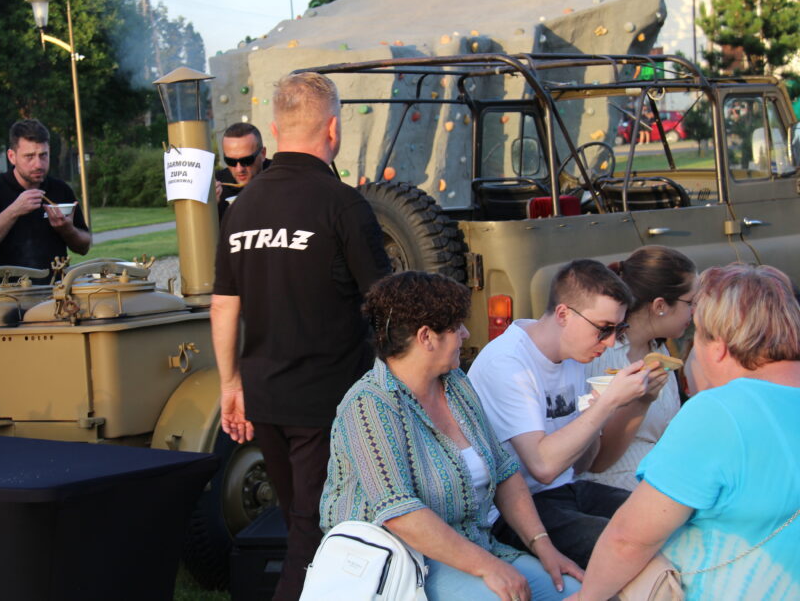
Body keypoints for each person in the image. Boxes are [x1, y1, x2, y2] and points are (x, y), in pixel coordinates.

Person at [211, 71, 391, 600]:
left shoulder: (241, 208)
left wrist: (230, 385)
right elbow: (386, 304)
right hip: (327, 403)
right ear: (333, 129)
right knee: (315, 539)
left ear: (274, 130)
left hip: (265, 399)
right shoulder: (343, 204)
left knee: (300, 524)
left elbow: (223, 304)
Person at [321, 271, 583, 601]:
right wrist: (487, 567)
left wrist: (544, 547)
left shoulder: (456, 383)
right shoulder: (370, 404)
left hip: (477, 547)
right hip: (404, 566)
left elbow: (504, 470)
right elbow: (400, 513)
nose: (466, 334)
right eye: (457, 326)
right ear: (426, 337)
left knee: (576, 592)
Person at [571, 264, 800, 600]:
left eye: (698, 337)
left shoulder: (719, 412)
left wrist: (587, 597)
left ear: (719, 347)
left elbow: (629, 539)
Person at [468, 259, 662, 569]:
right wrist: (608, 404)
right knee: (629, 546)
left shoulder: (574, 356)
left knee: (662, 520)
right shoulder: (507, 363)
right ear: (563, 314)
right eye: (604, 328)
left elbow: (583, 465)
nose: (611, 341)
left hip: (565, 490)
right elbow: (543, 467)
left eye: (619, 329)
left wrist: (600, 410)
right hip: (514, 512)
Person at [579, 246, 697, 491]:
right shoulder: (601, 355)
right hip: (609, 488)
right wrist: (640, 402)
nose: (694, 312)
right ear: (660, 305)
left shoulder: (659, 350)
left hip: (657, 476)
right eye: (690, 302)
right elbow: (597, 462)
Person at [0, 119, 90, 283]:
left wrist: (67, 229)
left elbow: (84, 247)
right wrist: (14, 211)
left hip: (56, 292)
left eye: (43, 155)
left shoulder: (60, 190)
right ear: (12, 156)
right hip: (8, 294)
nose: (38, 164)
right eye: (29, 156)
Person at [215, 122, 269, 219]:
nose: (239, 169)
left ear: (263, 154)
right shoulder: (218, 185)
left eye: (246, 160)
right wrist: (210, 208)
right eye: (231, 161)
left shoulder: (279, 177)